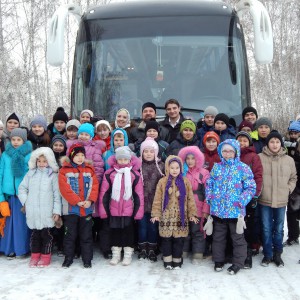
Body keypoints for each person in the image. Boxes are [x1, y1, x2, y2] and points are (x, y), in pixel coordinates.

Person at [206, 139, 256, 275]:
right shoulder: (217, 167)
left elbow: (251, 187)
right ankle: (218, 260)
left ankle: (238, 262)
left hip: (236, 211)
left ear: (236, 152)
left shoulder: (243, 168)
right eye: (225, 151)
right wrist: (210, 196)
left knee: (238, 237)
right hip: (219, 210)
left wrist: (241, 200)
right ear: (221, 152)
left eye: (230, 151)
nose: (227, 154)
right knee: (218, 237)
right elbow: (209, 182)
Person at [99, 146, 144, 266]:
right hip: (114, 210)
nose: (123, 162)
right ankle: (116, 254)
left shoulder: (135, 174)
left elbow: (138, 194)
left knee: (128, 232)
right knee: (115, 232)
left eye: (125, 159)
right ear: (116, 160)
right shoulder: (109, 174)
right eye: (120, 159)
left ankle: (128, 254)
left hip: (129, 210)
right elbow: (104, 193)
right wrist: (103, 210)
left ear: (130, 160)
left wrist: (138, 212)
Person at [151, 155, 198, 270]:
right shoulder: (162, 182)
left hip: (179, 217)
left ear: (181, 168)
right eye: (172, 168)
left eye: (177, 168)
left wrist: (192, 214)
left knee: (178, 240)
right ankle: (167, 260)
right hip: (166, 217)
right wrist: (156, 214)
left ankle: (177, 260)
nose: (174, 170)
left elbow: (190, 199)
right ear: (167, 168)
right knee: (166, 240)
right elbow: (157, 199)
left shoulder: (185, 182)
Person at [258, 131, 297, 267]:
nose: (274, 145)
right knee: (266, 228)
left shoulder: (289, 160)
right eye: (272, 142)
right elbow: (256, 176)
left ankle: (278, 254)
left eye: (277, 142)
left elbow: (293, 178)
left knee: (279, 228)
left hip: (281, 200)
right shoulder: (259, 157)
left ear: (281, 143)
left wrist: (288, 189)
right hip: (264, 200)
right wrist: (260, 190)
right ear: (267, 143)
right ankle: (268, 254)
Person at [18, 147, 62, 267]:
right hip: (33, 211)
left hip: (47, 212)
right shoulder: (30, 174)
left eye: (44, 161)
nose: (41, 164)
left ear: (50, 161)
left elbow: (57, 195)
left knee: (46, 236)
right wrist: (26, 202)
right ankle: (35, 256)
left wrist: (57, 211)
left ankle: (45, 256)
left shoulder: (53, 176)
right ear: (35, 161)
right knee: (35, 236)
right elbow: (22, 188)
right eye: (39, 161)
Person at [59, 143, 99, 268]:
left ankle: (87, 259)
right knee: (69, 235)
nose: (80, 157)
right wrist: (76, 201)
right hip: (71, 210)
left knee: (86, 235)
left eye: (82, 155)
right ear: (71, 156)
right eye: (77, 155)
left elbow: (94, 187)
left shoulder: (89, 170)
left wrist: (90, 200)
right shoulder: (64, 171)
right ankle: (68, 258)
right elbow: (65, 189)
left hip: (86, 210)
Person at [0, 128, 32, 258]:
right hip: (8, 195)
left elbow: (30, 174)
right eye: (13, 139)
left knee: (21, 225)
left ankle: (22, 248)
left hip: (22, 195)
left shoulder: (29, 155)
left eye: (19, 140)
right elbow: (1, 173)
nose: (16, 142)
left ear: (24, 140)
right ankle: (8, 249)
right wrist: (1, 196)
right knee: (8, 225)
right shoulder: (5, 155)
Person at [178, 146, 210, 264]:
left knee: (197, 230)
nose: (190, 161)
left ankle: (198, 253)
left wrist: (206, 210)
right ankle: (184, 250)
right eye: (188, 158)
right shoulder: (181, 172)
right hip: (183, 205)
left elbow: (208, 193)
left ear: (198, 159)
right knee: (184, 229)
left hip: (198, 206)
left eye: (193, 158)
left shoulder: (204, 173)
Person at [236, 131, 263, 268]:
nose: (242, 143)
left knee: (247, 225)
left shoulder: (254, 157)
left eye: (244, 140)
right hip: (234, 198)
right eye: (239, 140)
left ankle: (247, 253)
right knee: (235, 225)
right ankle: (237, 252)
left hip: (248, 196)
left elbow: (258, 176)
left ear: (250, 142)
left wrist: (255, 195)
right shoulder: (233, 155)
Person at [138, 138, 164, 262]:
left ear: (156, 152)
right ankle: (142, 247)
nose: (148, 154)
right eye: (145, 151)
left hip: (155, 203)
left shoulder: (160, 166)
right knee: (142, 226)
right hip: (141, 203)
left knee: (153, 227)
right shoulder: (138, 166)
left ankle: (152, 248)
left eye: (151, 151)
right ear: (141, 153)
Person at [284, 121, 300, 246]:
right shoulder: (287, 146)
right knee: (291, 212)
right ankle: (293, 236)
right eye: (292, 133)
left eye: (296, 133)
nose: (293, 135)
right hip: (292, 184)